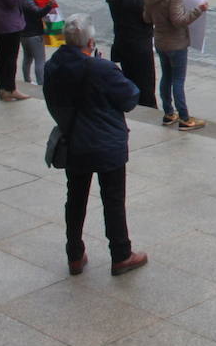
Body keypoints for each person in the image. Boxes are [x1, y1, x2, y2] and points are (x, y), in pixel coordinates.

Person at [43, 14, 147, 278]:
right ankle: (121, 254)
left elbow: (52, 101)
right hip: (105, 143)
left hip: (74, 141)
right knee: (113, 199)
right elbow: (130, 97)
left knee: (75, 198)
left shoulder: (53, 65)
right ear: (90, 42)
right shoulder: (100, 69)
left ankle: (74, 254)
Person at [142, 0, 209, 131]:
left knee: (166, 76)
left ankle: (169, 113)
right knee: (178, 80)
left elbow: (147, 18)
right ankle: (185, 118)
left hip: (160, 41)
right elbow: (179, 21)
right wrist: (198, 10)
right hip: (176, 43)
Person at [107, 0, 156, 108]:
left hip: (122, 45)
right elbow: (149, 19)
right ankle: (148, 107)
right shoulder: (137, 0)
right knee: (146, 83)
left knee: (129, 78)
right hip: (140, 48)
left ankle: (132, 104)